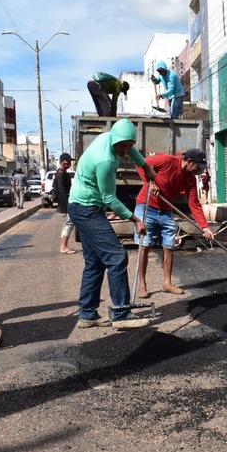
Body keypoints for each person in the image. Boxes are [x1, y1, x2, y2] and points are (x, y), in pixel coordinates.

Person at [68, 119, 157, 330]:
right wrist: (135, 220)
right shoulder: (105, 161)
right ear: (115, 141)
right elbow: (109, 198)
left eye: (129, 145)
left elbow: (131, 149)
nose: (126, 150)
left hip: (81, 206)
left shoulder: (108, 137)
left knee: (95, 262)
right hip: (87, 209)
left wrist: (146, 167)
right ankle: (121, 314)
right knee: (117, 257)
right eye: (123, 146)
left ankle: (87, 315)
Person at [133, 148, 214, 298]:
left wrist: (205, 227)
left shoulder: (190, 179)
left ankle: (167, 283)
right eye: (197, 167)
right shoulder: (167, 160)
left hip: (165, 210)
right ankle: (142, 285)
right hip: (146, 206)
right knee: (144, 246)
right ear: (189, 162)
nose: (198, 171)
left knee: (169, 246)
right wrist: (150, 184)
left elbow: (194, 203)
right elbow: (140, 164)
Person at [54, 153, 76, 254]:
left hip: (65, 203)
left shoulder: (63, 173)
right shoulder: (60, 174)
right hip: (65, 203)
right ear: (62, 162)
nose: (69, 164)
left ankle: (64, 246)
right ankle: (63, 246)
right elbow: (62, 191)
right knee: (69, 223)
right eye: (68, 162)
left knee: (67, 224)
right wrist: (68, 205)